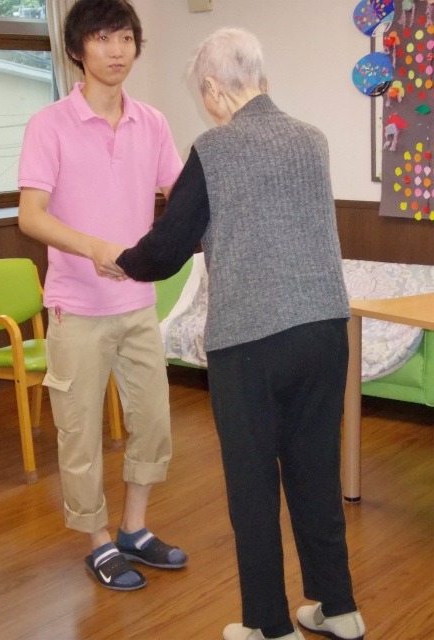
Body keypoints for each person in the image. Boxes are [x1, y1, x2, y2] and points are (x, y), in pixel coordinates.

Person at [106, 27, 366, 640]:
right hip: (325, 330)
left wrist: (121, 261)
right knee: (315, 472)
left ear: (213, 87)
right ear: (261, 78)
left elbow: (168, 247)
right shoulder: (313, 139)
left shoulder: (214, 149)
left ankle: (270, 626)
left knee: (253, 486)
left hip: (251, 343)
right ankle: (340, 610)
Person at [17, 0, 187, 592]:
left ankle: (134, 528)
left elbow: (180, 195)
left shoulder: (153, 123)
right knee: (80, 434)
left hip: (138, 305)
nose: (117, 50)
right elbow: (31, 216)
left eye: (126, 39)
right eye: (102, 38)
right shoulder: (49, 124)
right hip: (76, 309)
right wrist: (93, 247)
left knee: (153, 424)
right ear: (76, 50)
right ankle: (97, 541)